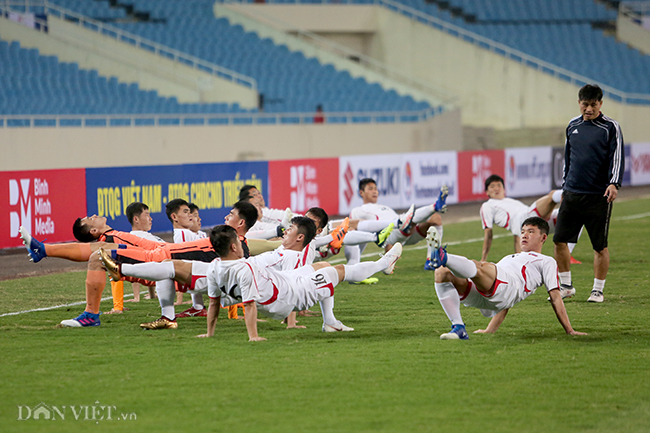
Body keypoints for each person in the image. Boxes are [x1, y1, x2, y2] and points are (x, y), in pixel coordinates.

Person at [202, 225, 402, 341]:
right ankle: (384, 263)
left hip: (285, 281)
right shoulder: (243, 268)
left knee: (322, 264)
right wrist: (253, 336)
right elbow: (249, 305)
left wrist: (210, 334)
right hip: (290, 295)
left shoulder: (214, 266)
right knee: (339, 271)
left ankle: (330, 322)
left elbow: (213, 303)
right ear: (233, 246)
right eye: (238, 242)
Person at [429, 217, 587, 340]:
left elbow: (555, 297)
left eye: (531, 232)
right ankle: (458, 327)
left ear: (543, 237)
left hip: (507, 287)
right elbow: (505, 303)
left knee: (481, 266)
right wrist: (489, 330)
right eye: (523, 231)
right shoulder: (511, 257)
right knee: (442, 273)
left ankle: (443, 256)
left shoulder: (546, 261)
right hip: (489, 297)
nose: (524, 235)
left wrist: (569, 330)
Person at [553, 84, 625, 303]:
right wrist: (565, 187)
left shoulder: (610, 127)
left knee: (599, 246)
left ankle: (597, 290)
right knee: (559, 240)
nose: (589, 109)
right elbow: (568, 158)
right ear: (579, 103)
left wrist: (614, 184)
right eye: (585, 104)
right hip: (572, 193)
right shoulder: (572, 126)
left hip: (597, 195)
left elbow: (617, 157)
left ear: (600, 104)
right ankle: (565, 285)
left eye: (593, 105)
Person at [346, 178, 447, 270]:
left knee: (435, 219)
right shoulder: (358, 210)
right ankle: (434, 206)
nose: (374, 191)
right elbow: (355, 229)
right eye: (370, 188)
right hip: (395, 232)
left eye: (376, 189)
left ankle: (431, 260)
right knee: (407, 221)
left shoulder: (385, 207)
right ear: (361, 192)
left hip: (403, 229)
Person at [480, 174, 581, 266]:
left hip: (539, 223)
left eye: (499, 185)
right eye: (492, 187)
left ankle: (568, 254)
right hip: (527, 219)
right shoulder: (487, 205)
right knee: (552, 196)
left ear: (504, 189)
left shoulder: (511, 201)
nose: (496, 189)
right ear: (487, 191)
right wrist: (483, 259)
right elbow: (488, 231)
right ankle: (575, 194)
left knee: (577, 216)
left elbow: (517, 234)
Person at [105, 202, 163, 314]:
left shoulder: (143, 237)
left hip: (165, 269)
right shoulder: (136, 238)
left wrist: (142, 296)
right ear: (136, 219)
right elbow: (139, 264)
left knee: (112, 265)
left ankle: (117, 307)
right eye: (147, 215)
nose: (151, 219)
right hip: (166, 269)